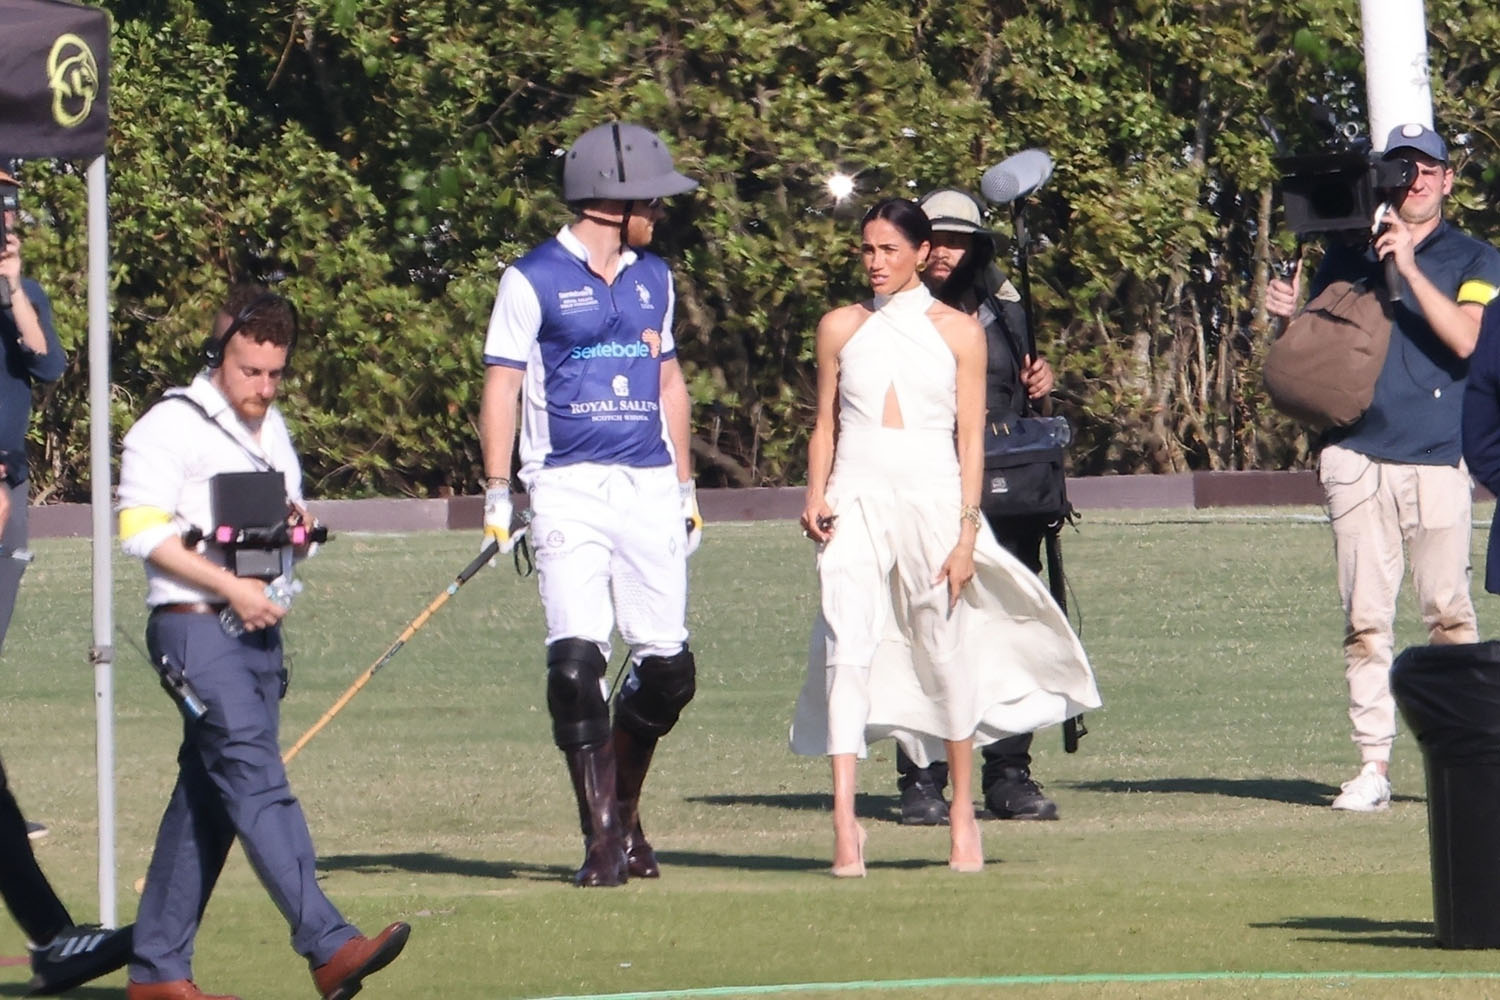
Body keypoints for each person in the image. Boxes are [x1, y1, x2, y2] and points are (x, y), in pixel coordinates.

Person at [789, 198, 1099, 876]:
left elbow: (969, 440)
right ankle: (844, 824)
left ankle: (962, 813)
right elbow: (825, 424)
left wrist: (965, 532)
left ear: (919, 253)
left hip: (933, 499)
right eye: (867, 250)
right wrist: (816, 495)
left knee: (943, 648)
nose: (875, 263)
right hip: (855, 498)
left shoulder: (959, 332)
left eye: (889, 250)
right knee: (847, 645)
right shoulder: (839, 326)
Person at [116, 286, 409, 999]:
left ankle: (157, 971)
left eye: (276, 373)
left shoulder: (271, 429)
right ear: (218, 356)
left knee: (209, 798)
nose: (264, 387)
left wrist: (295, 536)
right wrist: (232, 587)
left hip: (256, 634)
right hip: (193, 628)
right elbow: (140, 532)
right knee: (256, 779)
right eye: (251, 371)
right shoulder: (168, 425)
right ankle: (328, 944)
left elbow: (281, 536)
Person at [479, 122, 703, 888]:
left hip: (649, 484)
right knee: (576, 668)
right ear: (616, 201)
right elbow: (503, 383)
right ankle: (602, 839)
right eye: (653, 201)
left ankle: (625, 813)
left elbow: (668, 381)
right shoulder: (531, 278)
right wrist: (498, 491)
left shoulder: (655, 277)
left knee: (669, 673)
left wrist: (686, 488)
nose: (661, 213)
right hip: (565, 484)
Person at [1266, 123, 1500, 811]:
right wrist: (1285, 321)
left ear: (1448, 179)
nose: (1416, 181)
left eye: (1428, 169)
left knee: (1449, 617)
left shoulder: (1476, 257)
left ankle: (1467, 761)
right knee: (1365, 621)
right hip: (1356, 458)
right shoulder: (1346, 255)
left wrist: (1410, 265)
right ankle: (1373, 765)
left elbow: (1468, 340)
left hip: (1437, 460)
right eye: (1403, 170)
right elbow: (1317, 362)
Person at [889, 187, 1064, 826]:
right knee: (928, 626)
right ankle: (922, 777)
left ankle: (1008, 774)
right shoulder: (894, 312)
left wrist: (1043, 386)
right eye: (935, 240)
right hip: (927, 486)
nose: (945, 253)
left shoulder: (1005, 305)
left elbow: (1023, 401)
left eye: (958, 241)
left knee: (1009, 629)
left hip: (1006, 492)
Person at [0, 163, 65, 649]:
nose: (4, 216)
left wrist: (14, 290)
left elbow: (47, 365)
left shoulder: (28, 294)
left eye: (7, 206)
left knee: (7, 578)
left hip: (9, 472)